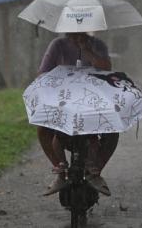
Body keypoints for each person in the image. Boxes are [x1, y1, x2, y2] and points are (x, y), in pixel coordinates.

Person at [37, 32, 119, 196]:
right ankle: (60, 172)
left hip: (92, 100)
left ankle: (95, 171)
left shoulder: (98, 45)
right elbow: (42, 73)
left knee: (112, 130)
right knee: (43, 128)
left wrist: (87, 51)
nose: (77, 34)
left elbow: (107, 69)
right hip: (64, 99)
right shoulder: (57, 45)